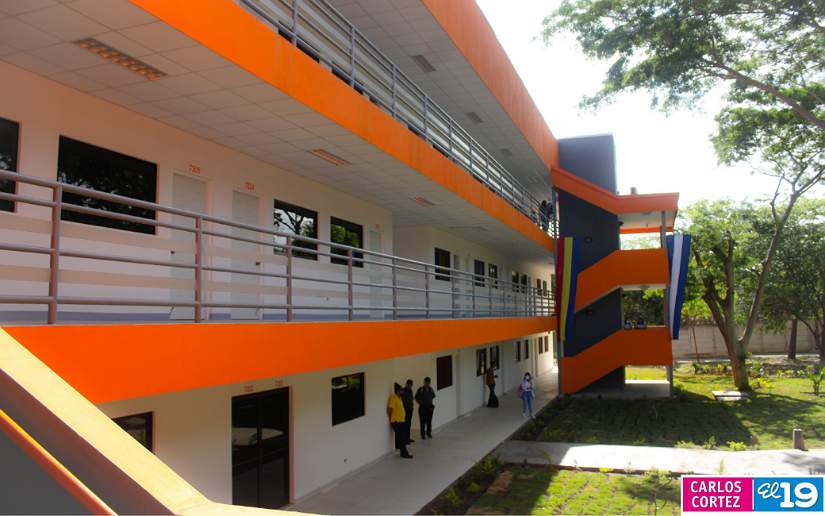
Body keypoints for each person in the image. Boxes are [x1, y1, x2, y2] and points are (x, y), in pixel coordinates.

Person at [387, 383, 412, 458]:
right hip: (396, 421)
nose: (402, 392)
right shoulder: (393, 397)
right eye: (401, 391)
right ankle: (404, 453)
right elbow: (389, 409)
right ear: (397, 391)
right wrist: (391, 419)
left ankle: (401, 450)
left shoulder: (399, 398)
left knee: (401, 437)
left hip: (401, 420)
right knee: (401, 438)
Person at [401, 379, 415, 444]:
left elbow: (411, 399)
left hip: (410, 409)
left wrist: (412, 407)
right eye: (409, 385)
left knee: (409, 424)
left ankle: (408, 438)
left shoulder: (410, 391)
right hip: (405, 410)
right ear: (406, 384)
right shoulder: (402, 391)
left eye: (411, 385)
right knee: (405, 425)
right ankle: (405, 439)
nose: (410, 386)